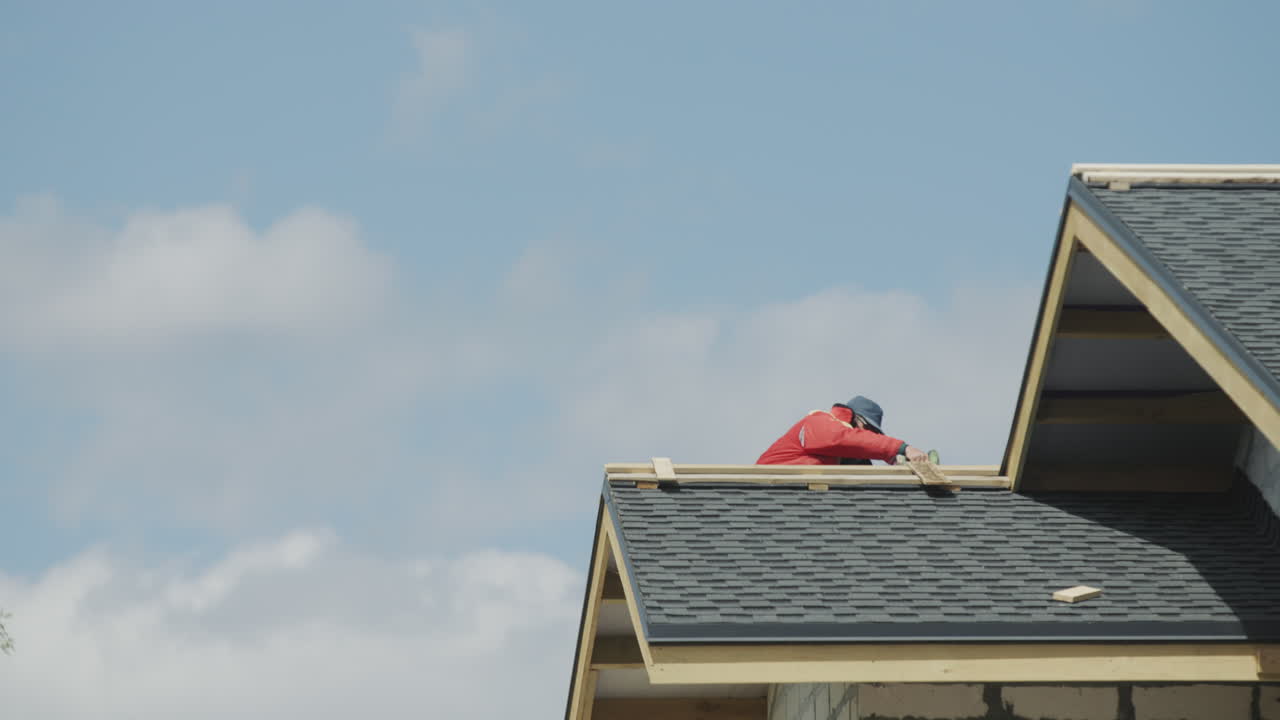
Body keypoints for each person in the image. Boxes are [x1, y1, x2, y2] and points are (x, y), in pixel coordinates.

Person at [756, 395, 928, 465]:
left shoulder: (841, 456)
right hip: (761, 491)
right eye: (867, 429)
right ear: (854, 418)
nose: (868, 435)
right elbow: (845, 438)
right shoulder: (818, 423)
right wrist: (902, 449)